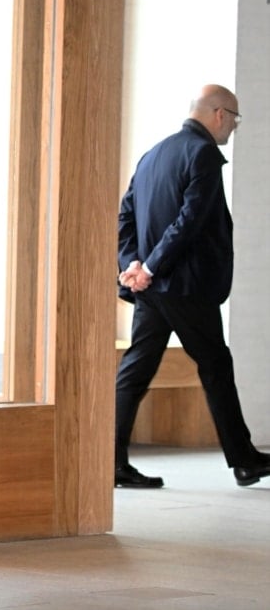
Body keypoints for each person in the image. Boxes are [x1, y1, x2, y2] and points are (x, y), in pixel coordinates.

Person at [115, 84, 270, 489]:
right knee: (216, 366)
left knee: (135, 371)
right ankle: (244, 460)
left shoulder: (153, 154)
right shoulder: (201, 154)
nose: (233, 128)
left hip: (152, 289)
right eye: (234, 119)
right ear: (220, 114)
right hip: (184, 287)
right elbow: (191, 220)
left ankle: (110, 461)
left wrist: (133, 263)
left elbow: (126, 214)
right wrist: (147, 266)